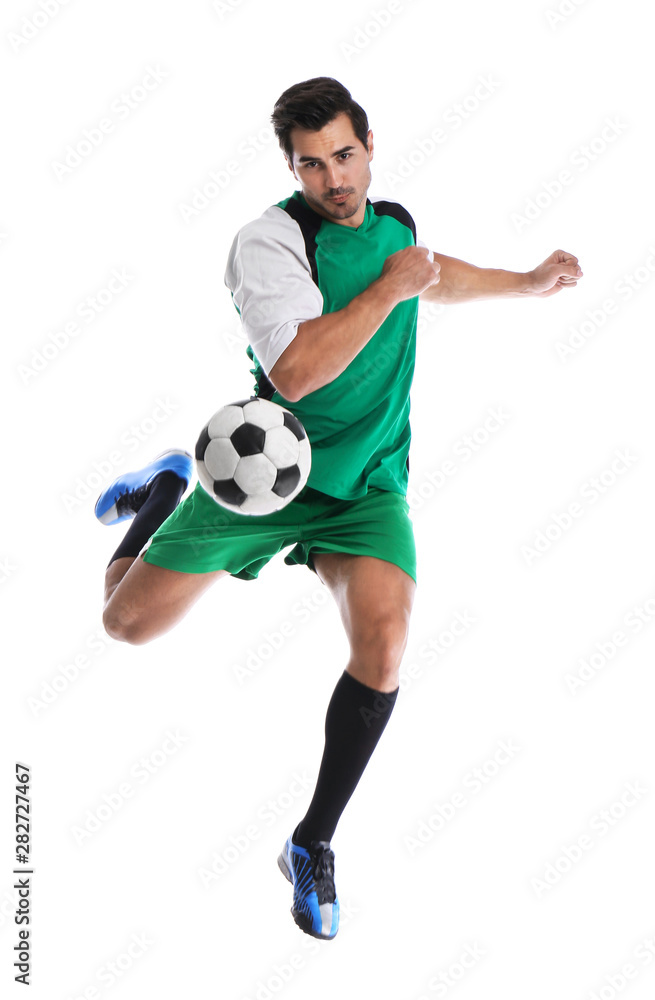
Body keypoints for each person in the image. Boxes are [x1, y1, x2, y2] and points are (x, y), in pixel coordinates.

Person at [96, 76, 583, 940]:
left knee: (385, 644)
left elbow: (433, 276)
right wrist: (388, 291)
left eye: (345, 155)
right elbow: (293, 373)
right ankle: (170, 484)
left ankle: (310, 842)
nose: (335, 179)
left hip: (365, 492)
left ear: (368, 144)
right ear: (291, 168)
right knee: (124, 625)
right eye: (312, 164)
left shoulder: (394, 226)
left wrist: (523, 281)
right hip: (266, 475)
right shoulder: (270, 241)